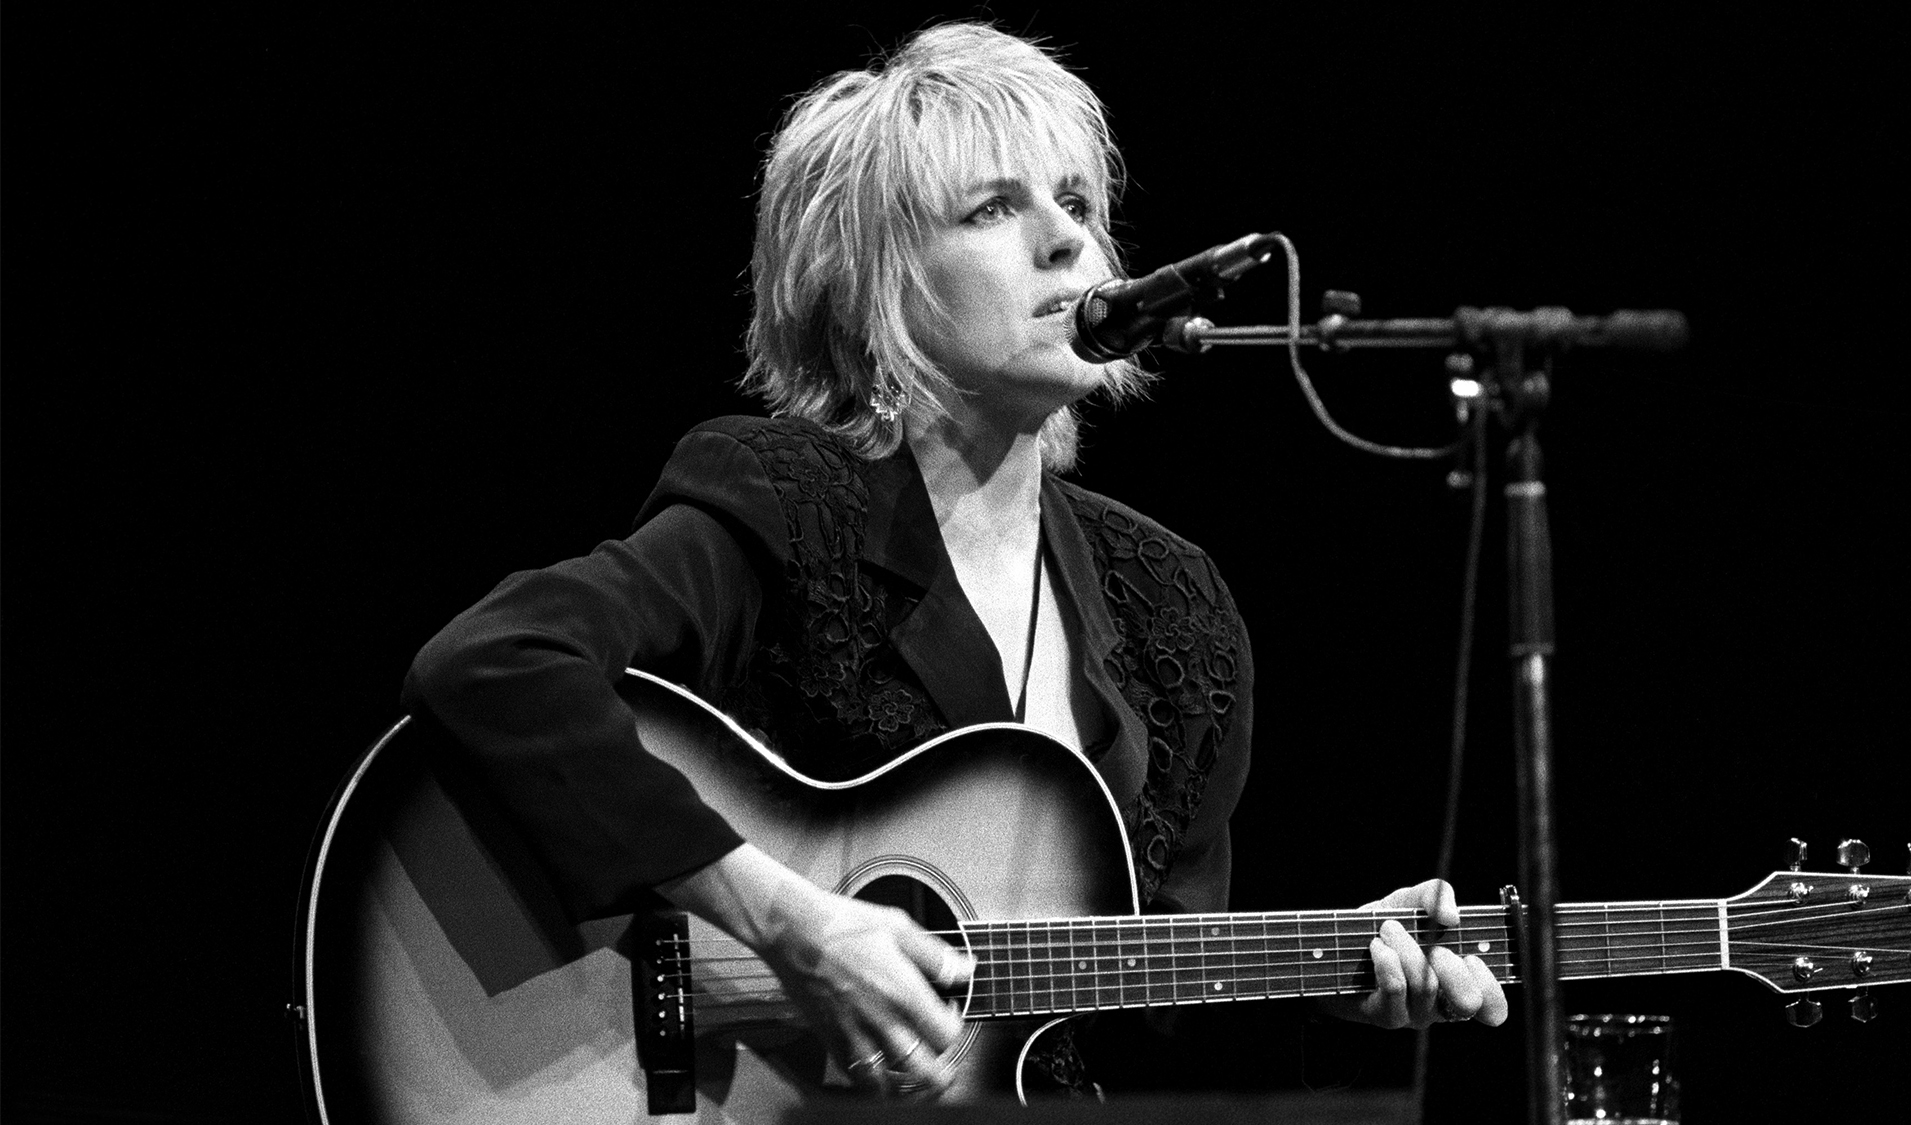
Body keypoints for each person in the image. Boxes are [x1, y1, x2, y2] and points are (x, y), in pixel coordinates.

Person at [404, 20, 1506, 1101]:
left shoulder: (1172, 604)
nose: (1066, 243)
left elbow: (1156, 1013)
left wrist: (1334, 983)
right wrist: (787, 921)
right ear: (874, 280)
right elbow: (497, 664)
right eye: (993, 208)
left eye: (1075, 203)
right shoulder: (784, 500)